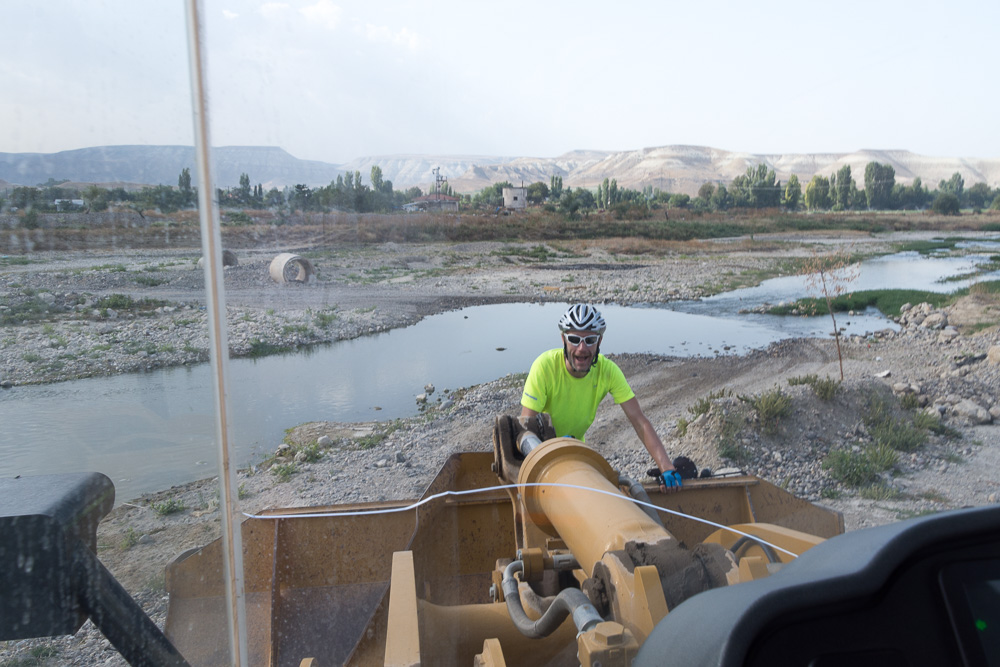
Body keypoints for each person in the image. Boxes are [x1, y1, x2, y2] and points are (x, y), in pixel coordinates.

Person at [520, 303, 682, 492]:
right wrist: (554, 445)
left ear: (600, 341)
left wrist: (667, 467)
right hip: (542, 452)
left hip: (576, 452)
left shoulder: (608, 371)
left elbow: (640, 422)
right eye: (574, 339)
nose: (582, 348)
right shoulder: (544, 367)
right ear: (563, 339)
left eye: (590, 340)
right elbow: (526, 427)